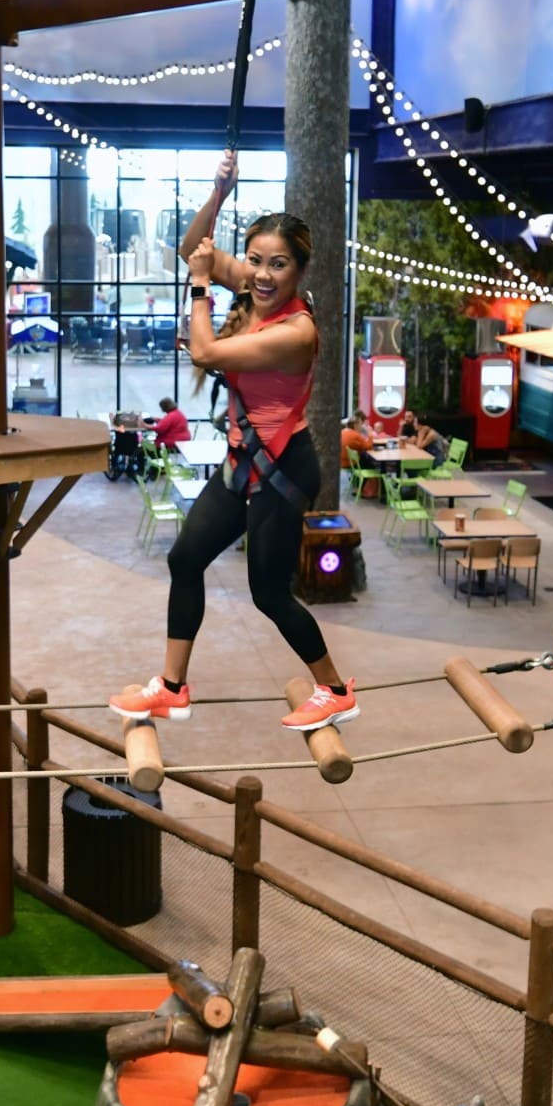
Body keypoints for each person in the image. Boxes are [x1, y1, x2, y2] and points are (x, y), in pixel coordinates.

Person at [111, 150, 354, 734]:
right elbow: (191, 247)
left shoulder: (295, 331)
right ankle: (172, 687)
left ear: (299, 271)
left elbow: (205, 353)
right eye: (255, 262)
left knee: (268, 593)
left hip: (283, 467)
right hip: (243, 462)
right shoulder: (256, 289)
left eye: (279, 265)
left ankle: (336, 688)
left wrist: (201, 287)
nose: (263, 275)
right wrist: (218, 195)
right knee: (184, 557)